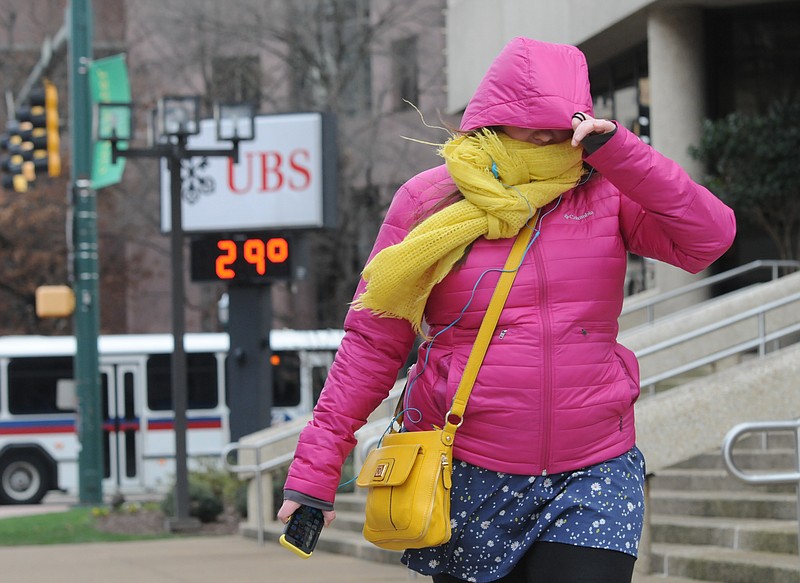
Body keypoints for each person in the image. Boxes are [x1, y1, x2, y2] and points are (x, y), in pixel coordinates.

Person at [278, 37, 736, 583]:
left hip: (594, 468)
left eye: (560, 121)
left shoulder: (606, 191)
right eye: (531, 120)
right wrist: (317, 468)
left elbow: (709, 238)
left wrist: (622, 153)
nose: (547, 135)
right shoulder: (429, 201)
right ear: (493, 115)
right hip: (469, 473)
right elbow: (373, 343)